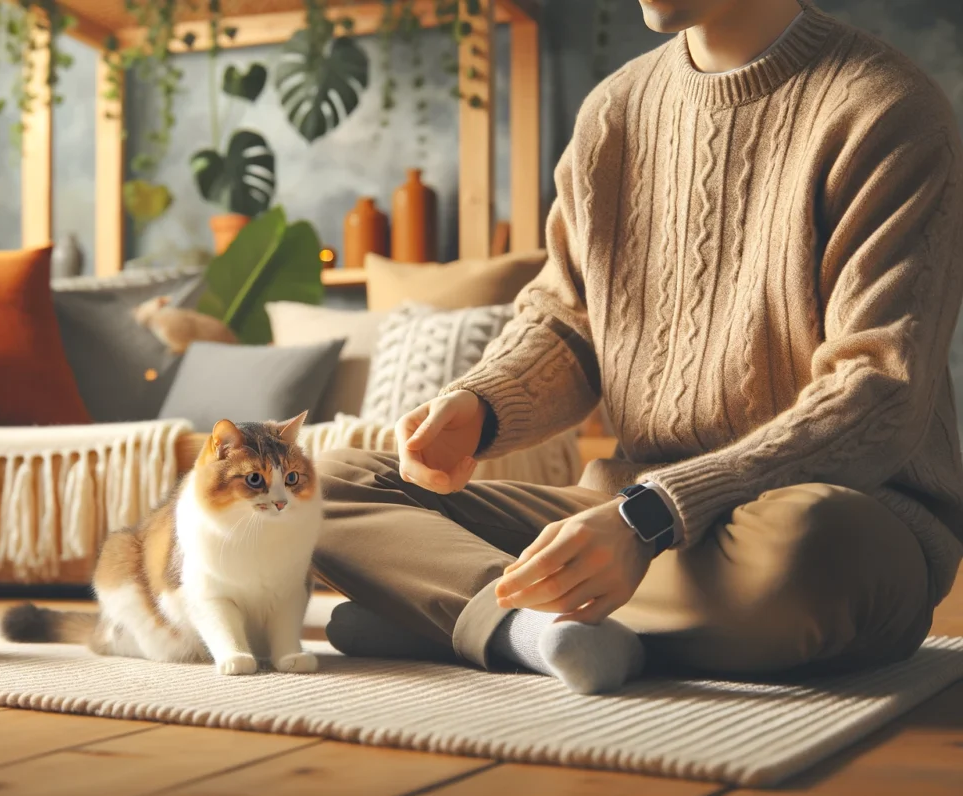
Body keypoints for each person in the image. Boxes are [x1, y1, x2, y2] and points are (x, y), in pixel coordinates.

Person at [316, 0, 963, 694]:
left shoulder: (886, 108)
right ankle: (526, 629)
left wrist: (650, 516)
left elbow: (877, 388)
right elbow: (567, 321)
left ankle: (453, 614)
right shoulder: (614, 111)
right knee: (317, 488)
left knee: (809, 555)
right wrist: (480, 405)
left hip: (809, 519)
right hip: (620, 522)